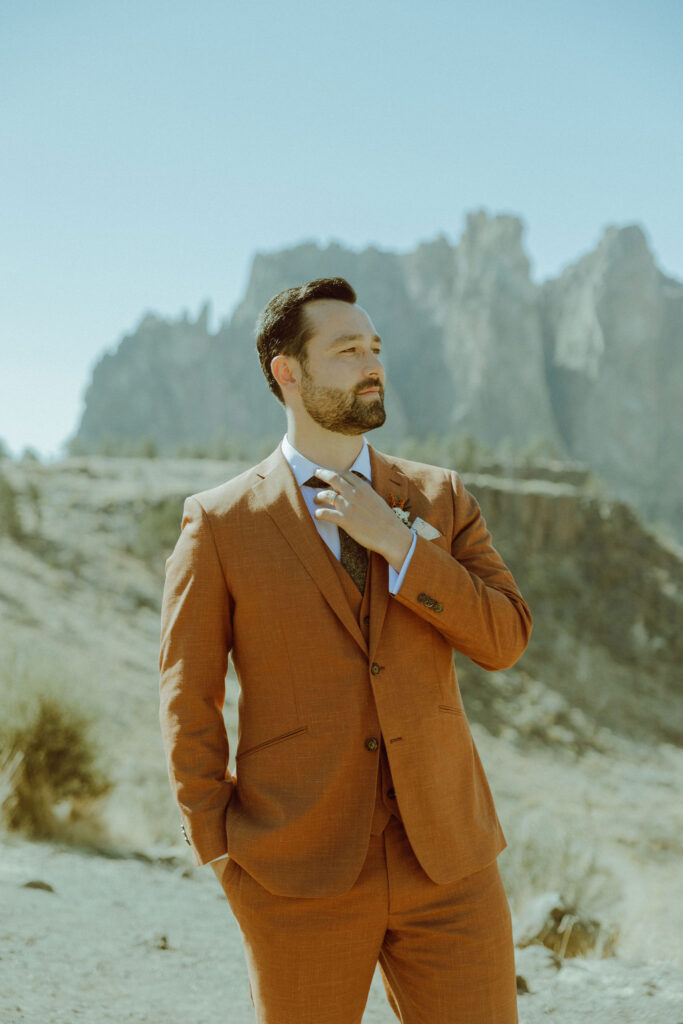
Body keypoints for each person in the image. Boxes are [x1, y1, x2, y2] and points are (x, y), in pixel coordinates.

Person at [159, 277, 532, 1023]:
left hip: (448, 864)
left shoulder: (439, 500)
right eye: (347, 350)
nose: (372, 364)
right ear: (286, 373)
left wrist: (400, 545)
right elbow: (186, 698)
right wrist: (222, 850)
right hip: (295, 868)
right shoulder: (221, 523)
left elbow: (504, 638)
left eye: (375, 348)